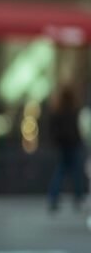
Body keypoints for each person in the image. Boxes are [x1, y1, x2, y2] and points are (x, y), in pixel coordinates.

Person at [47, 83, 87, 211]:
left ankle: (53, 198)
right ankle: (78, 198)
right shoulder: (73, 110)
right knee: (76, 172)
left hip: (63, 145)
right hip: (73, 145)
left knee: (61, 171)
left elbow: (52, 129)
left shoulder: (57, 110)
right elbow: (76, 129)